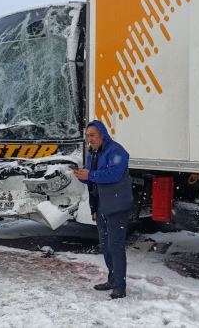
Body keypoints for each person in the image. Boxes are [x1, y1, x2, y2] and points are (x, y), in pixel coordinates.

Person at [73, 120, 133, 299]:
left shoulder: (117, 151)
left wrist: (90, 174)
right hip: (101, 207)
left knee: (115, 246)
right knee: (105, 246)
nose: (89, 139)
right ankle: (112, 280)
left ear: (102, 134)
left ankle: (120, 287)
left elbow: (113, 174)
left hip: (117, 207)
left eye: (92, 135)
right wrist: (82, 176)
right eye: (87, 136)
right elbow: (94, 182)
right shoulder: (93, 153)